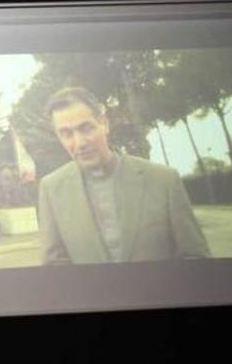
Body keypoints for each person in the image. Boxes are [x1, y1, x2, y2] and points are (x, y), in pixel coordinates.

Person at [37, 87, 210, 265]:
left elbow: (196, 258)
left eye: (86, 128)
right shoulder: (51, 189)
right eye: (67, 134)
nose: (79, 143)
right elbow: (55, 268)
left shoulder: (164, 180)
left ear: (104, 123)